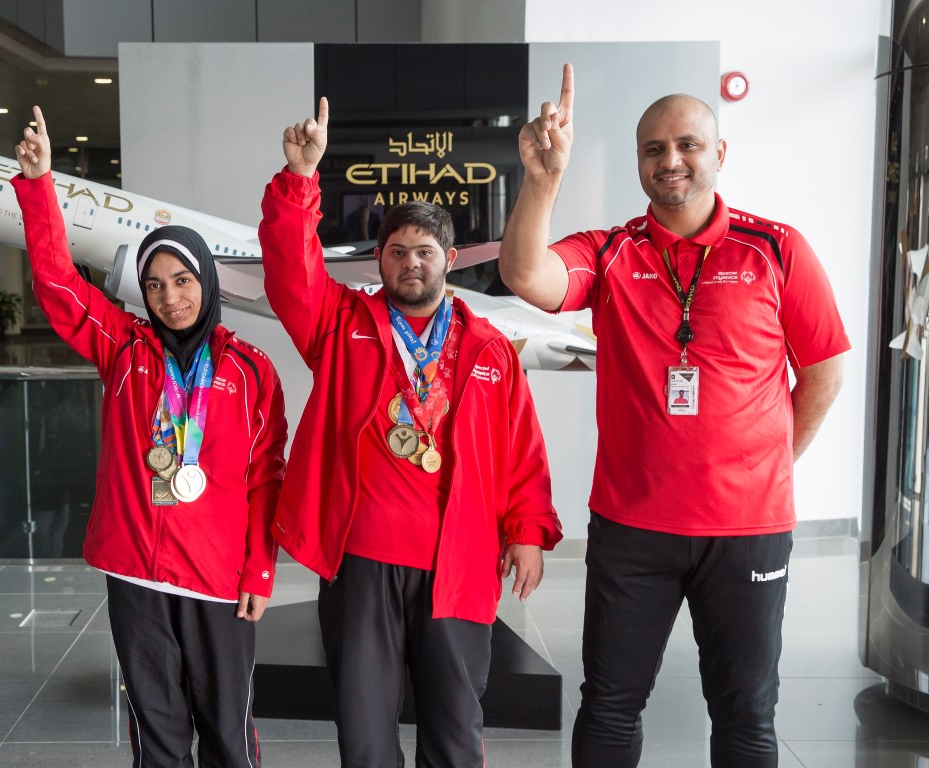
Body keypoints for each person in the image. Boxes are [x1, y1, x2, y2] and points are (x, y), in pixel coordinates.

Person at [497, 65, 849, 767]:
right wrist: (542, 179)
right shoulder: (609, 250)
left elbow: (823, 372)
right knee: (610, 703)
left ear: (719, 155)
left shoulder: (776, 249)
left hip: (747, 530)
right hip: (633, 529)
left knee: (746, 711)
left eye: (686, 144)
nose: (670, 161)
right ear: (638, 162)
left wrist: (768, 463)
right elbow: (526, 277)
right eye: (653, 149)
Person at [259, 97, 562, 768]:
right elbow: (289, 272)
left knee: (455, 728)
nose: (410, 263)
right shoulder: (339, 327)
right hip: (362, 557)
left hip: (458, 560)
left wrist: (527, 531)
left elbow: (521, 454)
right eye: (396, 252)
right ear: (379, 260)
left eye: (423, 251)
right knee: (364, 731)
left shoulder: (488, 350)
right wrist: (299, 182)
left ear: (449, 258)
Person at [12, 106, 287, 768]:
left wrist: (259, 568)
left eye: (183, 281)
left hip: (218, 578)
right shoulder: (123, 348)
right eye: (156, 285)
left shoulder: (250, 371)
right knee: (156, 730)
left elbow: (266, 477)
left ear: (206, 283)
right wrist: (40, 185)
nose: (169, 298)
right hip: (134, 570)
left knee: (227, 731)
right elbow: (55, 282)